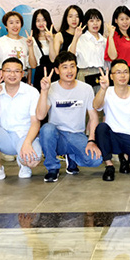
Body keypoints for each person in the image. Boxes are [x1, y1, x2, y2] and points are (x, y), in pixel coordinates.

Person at [36, 51, 103, 183]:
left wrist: (91, 140)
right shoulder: (50, 88)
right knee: (46, 129)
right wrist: (44, 91)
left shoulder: (86, 89)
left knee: (95, 160)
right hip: (57, 136)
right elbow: (40, 115)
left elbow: (94, 117)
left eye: (72, 66)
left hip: (77, 134)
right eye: (65, 67)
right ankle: (52, 167)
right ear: (57, 70)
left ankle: (71, 156)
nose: (69, 71)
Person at [0, 57, 42, 184]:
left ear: (22, 74)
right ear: (1, 73)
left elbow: (35, 122)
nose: (12, 74)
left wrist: (27, 143)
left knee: (33, 160)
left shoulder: (32, 92)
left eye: (16, 71)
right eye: (8, 71)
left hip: (25, 136)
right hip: (4, 136)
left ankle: (23, 163)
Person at [93, 59, 130, 181]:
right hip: (112, 136)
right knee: (101, 128)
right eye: (118, 72)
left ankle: (125, 157)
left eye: (126, 72)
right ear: (111, 76)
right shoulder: (107, 91)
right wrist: (102, 89)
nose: (123, 76)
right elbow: (96, 106)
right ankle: (109, 165)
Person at [0, 11, 37, 81]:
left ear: (21, 24)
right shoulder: (0, 41)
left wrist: (30, 47)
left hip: (21, 77)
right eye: (11, 23)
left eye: (17, 22)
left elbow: (33, 65)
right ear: (6, 25)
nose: (15, 26)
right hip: (4, 77)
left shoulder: (27, 41)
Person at [71, 8, 108, 91]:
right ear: (86, 23)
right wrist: (75, 37)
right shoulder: (80, 39)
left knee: (100, 98)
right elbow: (70, 56)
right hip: (85, 73)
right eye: (91, 21)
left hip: (101, 74)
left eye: (98, 20)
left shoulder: (105, 40)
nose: (95, 23)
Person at [105, 5, 130, 84]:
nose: (125, 22)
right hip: (118, 73)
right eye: (122, 19)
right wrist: (111, 36)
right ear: (116, 20)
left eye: (127, 18)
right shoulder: (113, 37)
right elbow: (113, 57)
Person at [31, 8, 57, 91]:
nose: (41, 23)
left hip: (54, 72)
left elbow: (53, 59)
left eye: (44, 20)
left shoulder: (56, 36)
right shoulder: (31, 39)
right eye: (38, 20)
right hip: (39, 73)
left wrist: (51, 41)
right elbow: (32, 65)